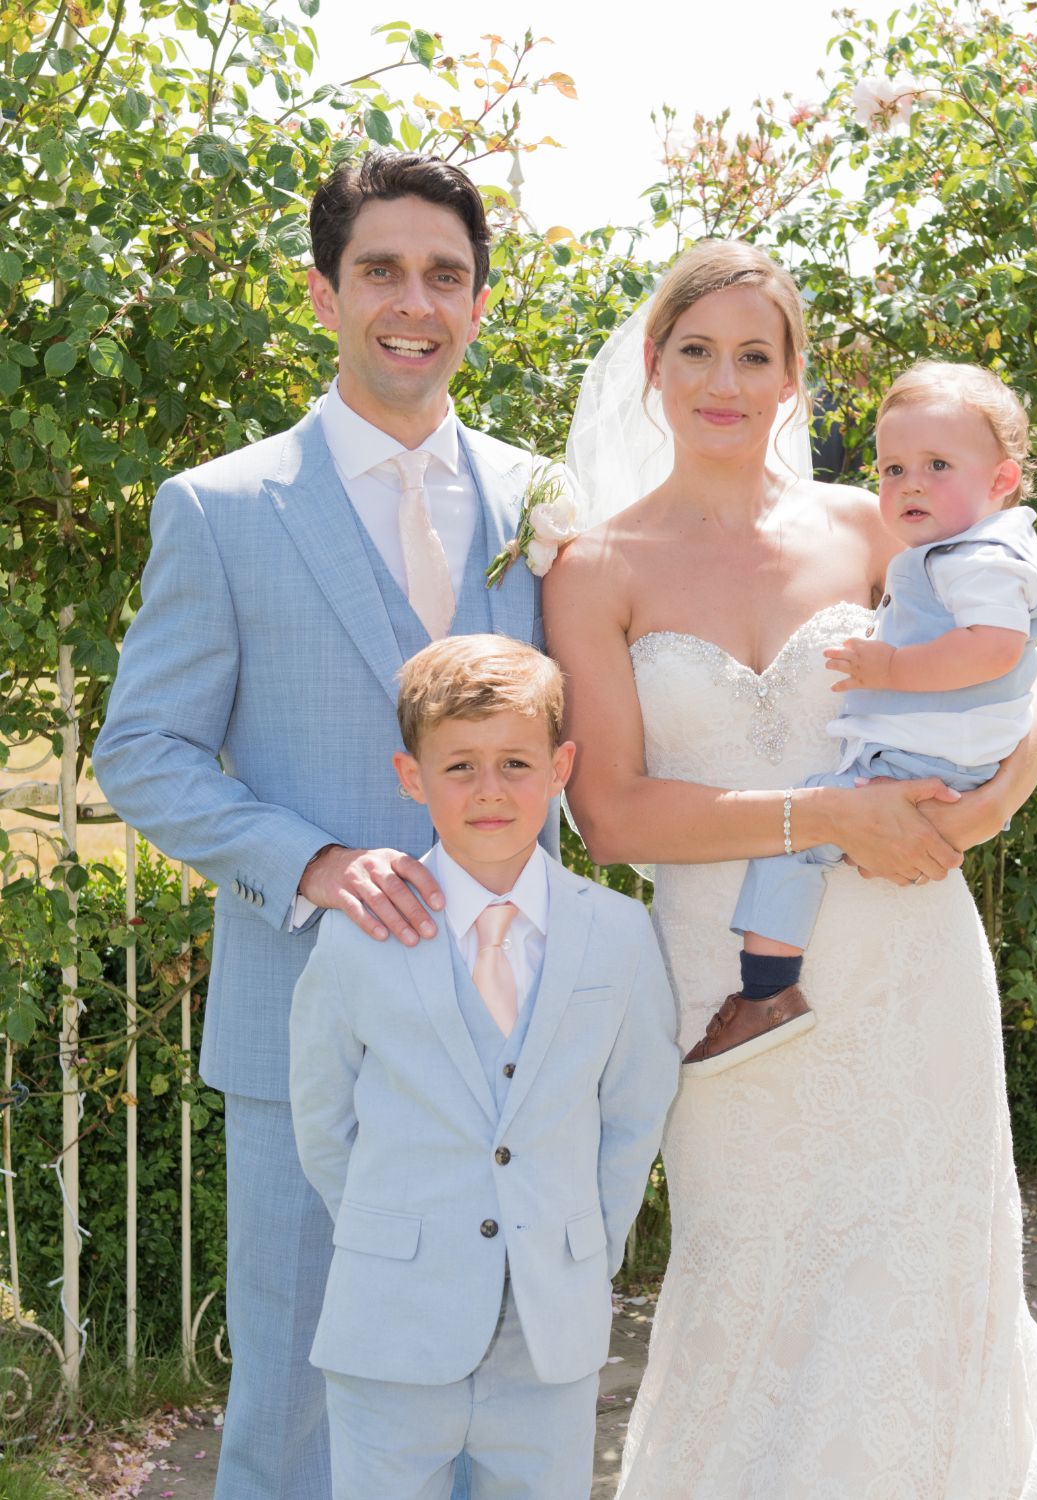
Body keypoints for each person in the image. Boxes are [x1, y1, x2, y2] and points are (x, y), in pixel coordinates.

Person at [545, 240, 1037, 1497]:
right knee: (753, 1277)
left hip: (911, 964)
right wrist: (827, 817)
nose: (725, 380)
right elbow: (615, 816)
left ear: (796, 379)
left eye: (757, 354)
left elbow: (1023, 684)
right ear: (654, 363)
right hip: (740, 995)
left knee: (927, 1272)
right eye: (698, 350)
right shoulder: (596, 569)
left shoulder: (871, 522)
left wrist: (982, 808)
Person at [92, 151, 554, 1500]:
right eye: (382, 270)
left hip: (510, 1032)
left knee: (495, 1391)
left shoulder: (543, 507)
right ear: (323, 291)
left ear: (478, 302)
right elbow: (146, 753)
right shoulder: (221, 509)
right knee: (295, 1402)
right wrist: (312, 861)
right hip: (305, 1025)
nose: (416, 300)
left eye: (447, 274)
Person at [289, 634, 678, 1500]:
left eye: (514, 762)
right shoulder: (357, 936)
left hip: (551, 1327)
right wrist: (393, 1237)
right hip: (390, 1323)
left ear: (560, 766)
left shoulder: (616, 933)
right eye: (458, 767)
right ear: (410, 775)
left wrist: (583, 1247)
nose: (490, 790)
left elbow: (634, 1111)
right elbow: (324, 1117)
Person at [686, 358, 1037, 1074]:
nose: (909, 483)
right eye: (892, 469)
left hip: (929, 762)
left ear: (1002, 481)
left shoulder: (978, 557)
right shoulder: (957, 548)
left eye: (936, 464)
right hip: (941, 754)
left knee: (796, 840)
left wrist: (891, 671)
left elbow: (996, 652)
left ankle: (766, 993)